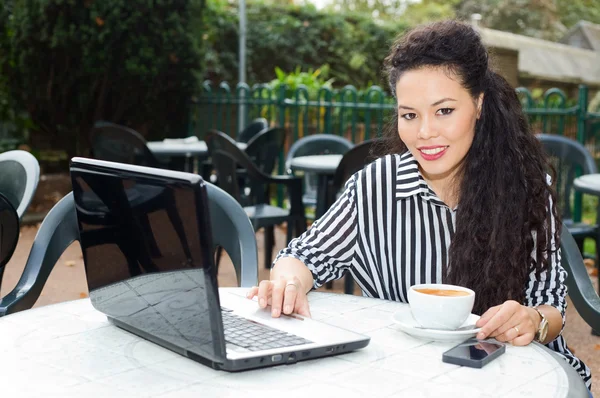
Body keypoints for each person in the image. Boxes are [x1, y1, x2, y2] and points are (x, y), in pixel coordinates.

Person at [246, 20, 592, 389]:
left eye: (444, 111)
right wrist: (288, 283)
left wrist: (531, 320)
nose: (425, 131)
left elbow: (552, 304)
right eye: (409, 115)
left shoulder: (527, 188)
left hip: (519, 378)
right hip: (409, 378)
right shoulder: (375, 187)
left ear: (478, 104)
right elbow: (303, 257)